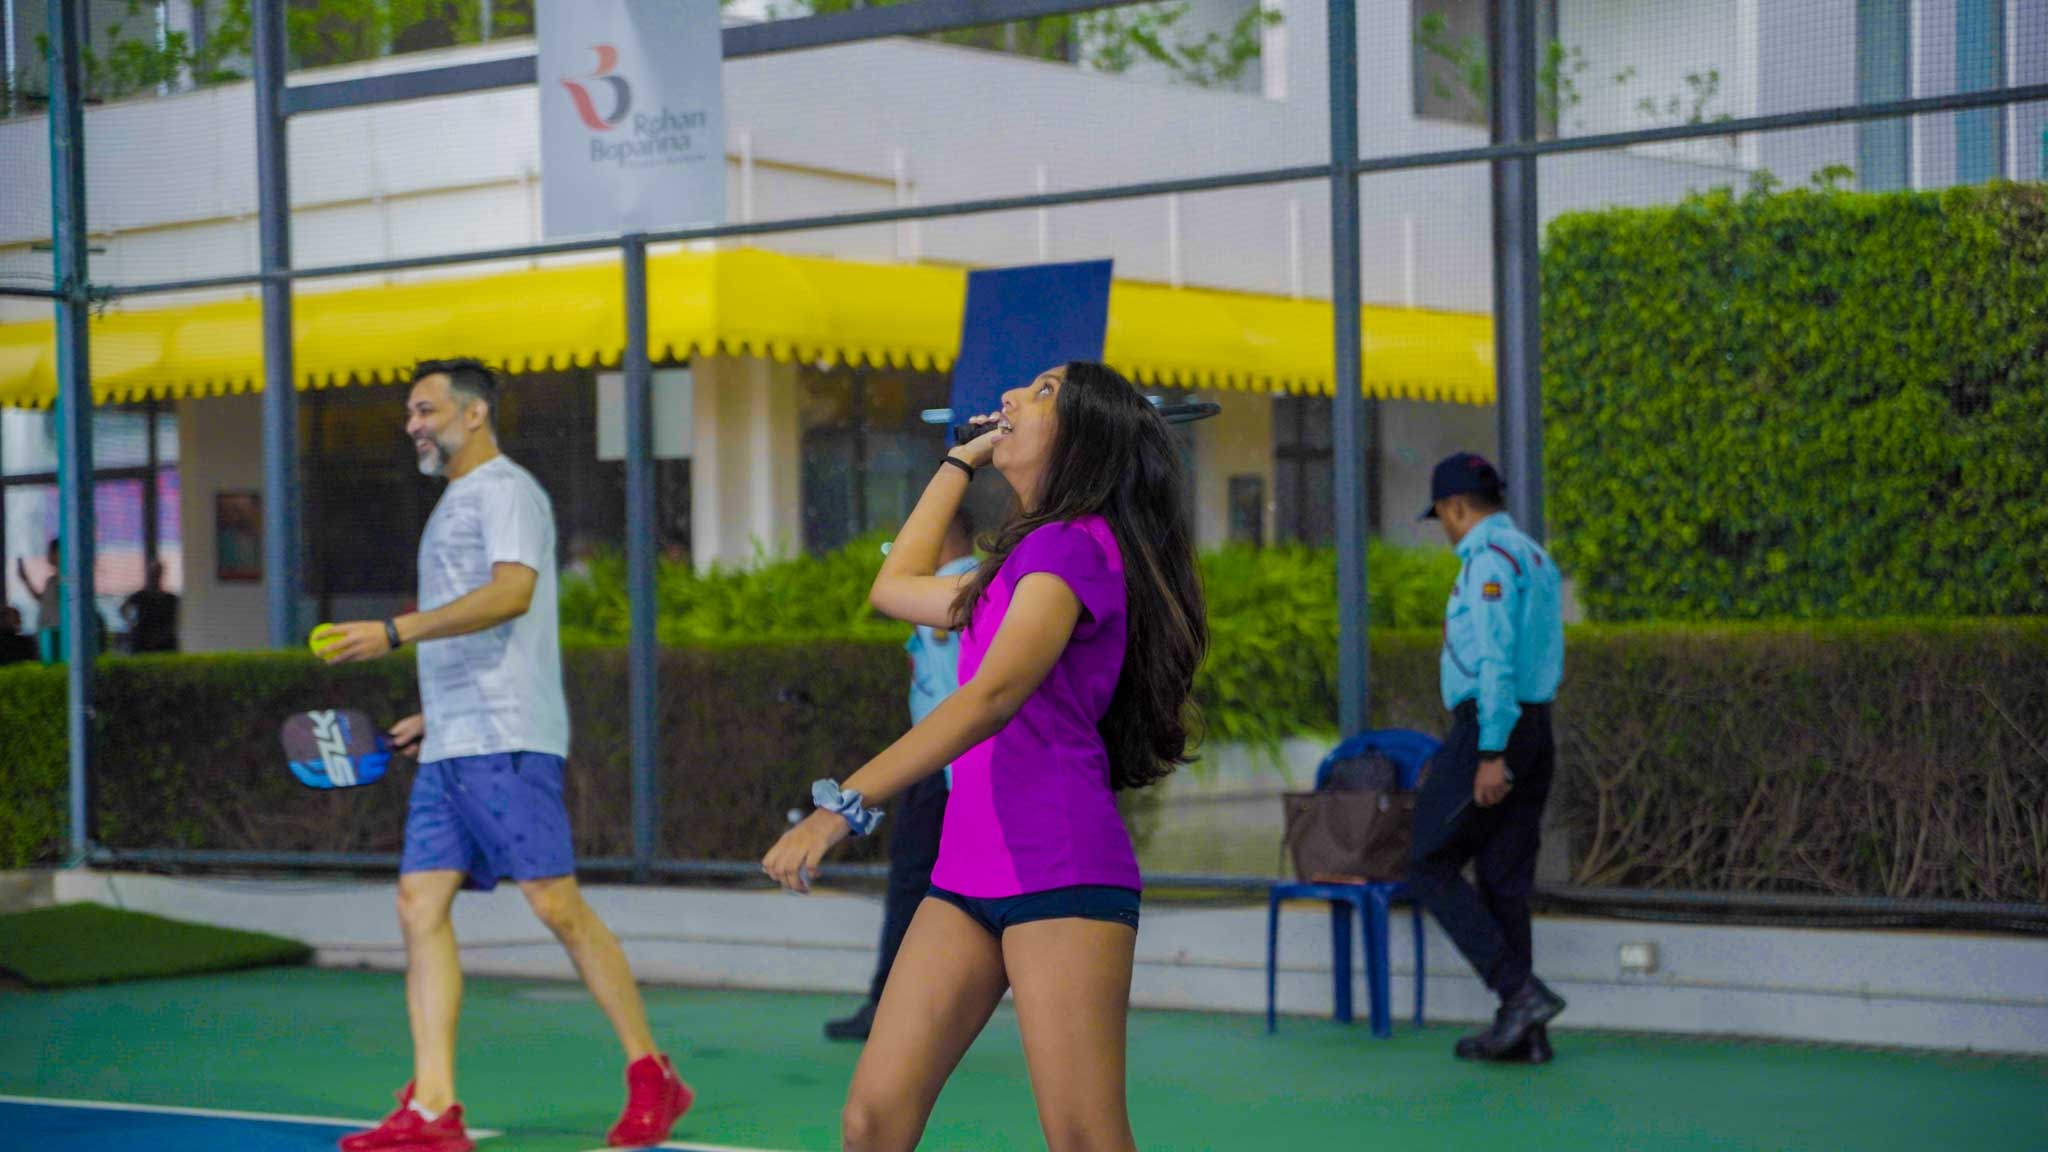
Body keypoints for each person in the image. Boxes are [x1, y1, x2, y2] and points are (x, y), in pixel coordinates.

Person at [763, 361, 1207, 1152]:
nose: (1011, 397)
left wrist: (843, 807)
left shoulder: (1075, 550)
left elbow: (990, 698)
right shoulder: (1011, 565)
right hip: (965, 877)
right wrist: (957, 462)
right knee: (872, 1121)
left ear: (1082, 439)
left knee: (1083, 1137)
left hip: (1061, 871)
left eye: (1041, 394)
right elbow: (895, 584)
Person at [316, 358, 691, 1152]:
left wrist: (393, 632)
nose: (412, 424)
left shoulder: (507, 490)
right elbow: (488, 630)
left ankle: (652, 1072)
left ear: (475, 412)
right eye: (409, 413)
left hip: (509, 738)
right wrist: (431, 712)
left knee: (555, 905)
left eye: (425, 409)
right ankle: (433, 1111)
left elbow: (512, 592)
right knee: (419, 905)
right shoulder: (454, 499)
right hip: (456, 738)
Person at [1410, 451, 1567, 1064]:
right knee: (1503, 878)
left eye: (1443, 517)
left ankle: (1518, 993)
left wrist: (1490, 751)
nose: (1445, 529)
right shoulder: (1533, 554)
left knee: (1427, 862)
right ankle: (1525, 1033)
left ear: (1455, 508)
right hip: (1536, 727)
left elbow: (1497, 662)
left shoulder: (1487, 562)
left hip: (1493, 726)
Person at [825, 507, 979, 1043]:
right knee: (941, 891)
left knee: (918, 888)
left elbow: (956, 697)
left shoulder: (949, 588)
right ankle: (906, 1006)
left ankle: (889, 1007)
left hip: (946, 770)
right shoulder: (971, 580)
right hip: (950, 770)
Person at [121, 561, 180, 653]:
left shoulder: (170, 599)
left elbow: (173, 620)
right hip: (143, 640)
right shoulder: (140, 596)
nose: (154, 577)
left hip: (163, 642)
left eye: (156, 574)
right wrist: (131, 624)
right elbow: (123, 609)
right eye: (153, 574)